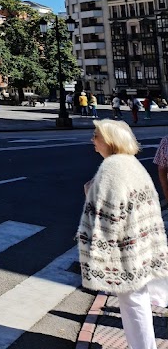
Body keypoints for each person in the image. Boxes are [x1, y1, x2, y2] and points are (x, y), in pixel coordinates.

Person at [78, 120, 168, 349]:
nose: (92, 140)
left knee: (133, 302)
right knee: (136, 300)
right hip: (141, 243)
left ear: (108, 141)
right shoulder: (129, 164)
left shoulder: (113, 169)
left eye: (96, 135)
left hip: (127, 249)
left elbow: (107, 216)